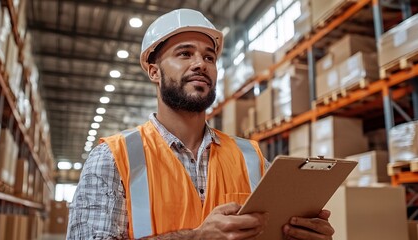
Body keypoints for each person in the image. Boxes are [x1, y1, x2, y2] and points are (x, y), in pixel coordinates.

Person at [67, 8, 334, 240]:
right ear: (154, 72)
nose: (200, 64)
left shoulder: (251, 157)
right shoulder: (113, 158)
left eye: (209, 57)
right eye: (184, 54)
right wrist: (197, 237)